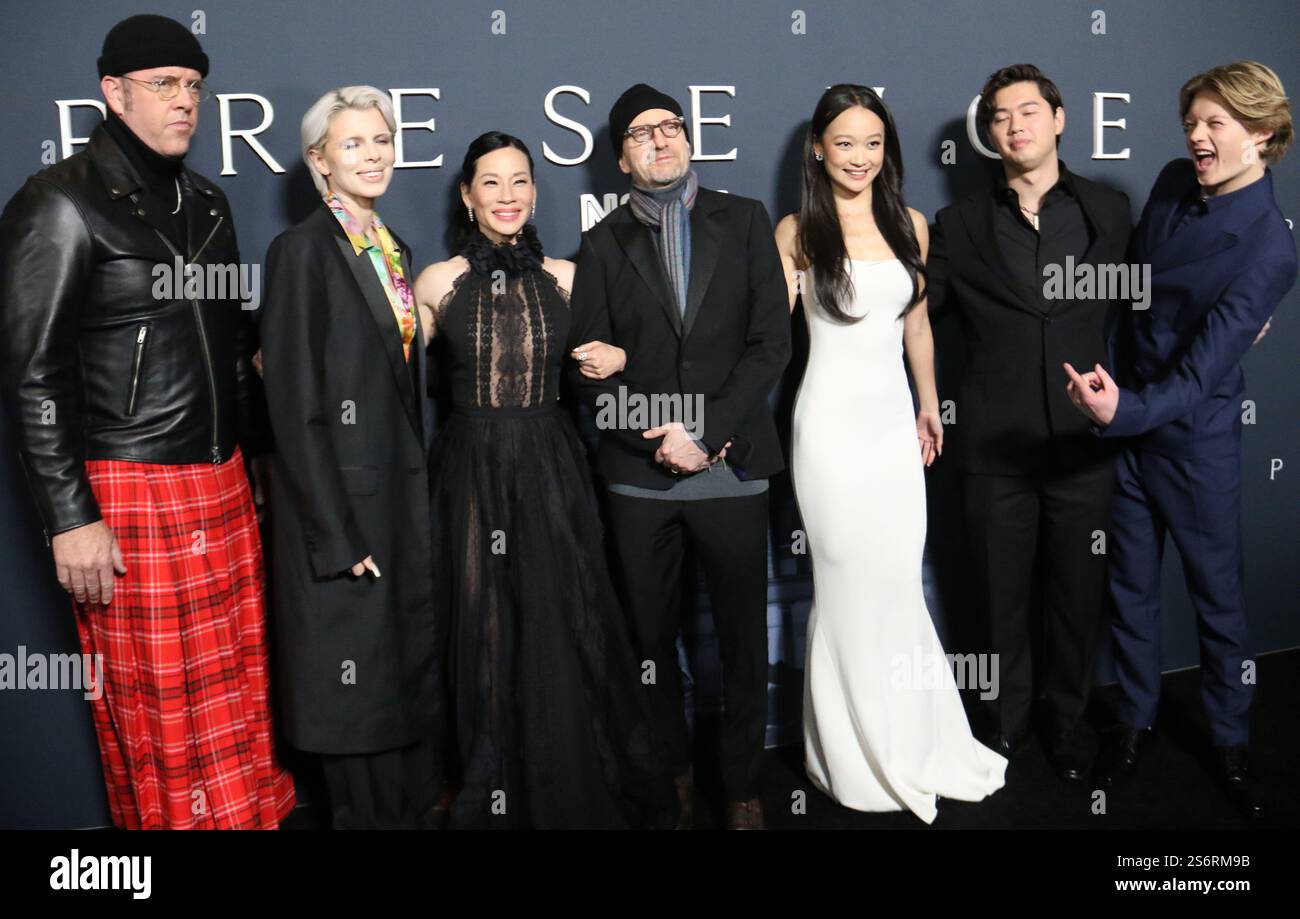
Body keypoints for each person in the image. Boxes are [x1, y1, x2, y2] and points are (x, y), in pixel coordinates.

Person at [0, 14, 293, 828]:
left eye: (194, 85)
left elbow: (234, 344)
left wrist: (258, 457)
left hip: (222, 476)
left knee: (236, 687)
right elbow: (32, 375)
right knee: (160, 709)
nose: (185, 100)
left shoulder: (208, 201)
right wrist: (70, 518)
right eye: (164, 84)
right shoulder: (57, 203)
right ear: (113, 92)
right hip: (127, 489)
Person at [413, 132, 676, 829]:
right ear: (468, 197)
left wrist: (619, 357)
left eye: (520, 181)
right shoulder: (435, 282)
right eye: (491, 183)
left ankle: (562, 777)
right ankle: (487, 779)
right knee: (482, 625)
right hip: (468, 468)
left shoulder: (567, 276)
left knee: (560, 620)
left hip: (551, 462)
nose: (507, 196)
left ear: (534, 192)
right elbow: (388, 385)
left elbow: (622, 362)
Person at [1065, 61, 1295, 818]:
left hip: (1193, 442)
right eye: (1191, 122)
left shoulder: (1270, 247)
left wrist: (1121, 410)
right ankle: (1133, 722)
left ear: (1261, 135)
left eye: (1215, 124)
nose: (1196, 137)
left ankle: (1230, 739)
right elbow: (1135, 292)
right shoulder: (1169, 181)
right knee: (1130, 591)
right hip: (1126, 427)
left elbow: (1200, 376)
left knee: (1217, 601)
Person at [775, 84, 1006, 823]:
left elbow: (917, 329)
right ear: (818, 147)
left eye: (873, 143)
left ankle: (911, 738)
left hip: (891, 433)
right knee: (843, 587)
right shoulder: (796, 231)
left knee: (898, 584)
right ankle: (845, 753)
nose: (859, 157)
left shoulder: (910, 224)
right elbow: (769, 344)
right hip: (828, 433)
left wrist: (928, 400)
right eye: (844, 142)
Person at [568, 84, 791, 829]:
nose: (660, 140)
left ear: (688, 138)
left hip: (730, 466)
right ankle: (672, 775)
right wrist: (658, 434)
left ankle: (741, 785)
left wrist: (706, 430)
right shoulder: (600, 246)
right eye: (641, 134)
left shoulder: (748, 219)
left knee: (740, 638)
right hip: (640, 478)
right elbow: (589, 370)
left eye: (670, 127)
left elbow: (770, 345)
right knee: (650, 643)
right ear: (622, 157)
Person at [926, 64, 1132, 782]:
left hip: (1084, 446)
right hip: (993, 446)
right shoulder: (957, 225)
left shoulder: (1112, 209)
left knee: (1077, 600)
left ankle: (1067, 724)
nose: (1014, 125)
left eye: (1028, 111)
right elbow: (916, 318)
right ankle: (1006, 725)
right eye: (1000, 118)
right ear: (989, 135)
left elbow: (1147, 308)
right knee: (997, 598)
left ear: (1059, 118)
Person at [258, 86, 442, 829]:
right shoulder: (302, 251)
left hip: (395, 505)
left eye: (381, 140)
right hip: (342, 518)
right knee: (353, 693)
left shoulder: (392, 248)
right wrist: (335, 535)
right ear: (318, 161)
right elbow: (294, 407)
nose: (373, 155)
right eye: (353, 144)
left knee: (393, 678)